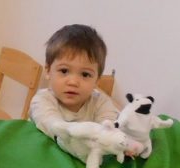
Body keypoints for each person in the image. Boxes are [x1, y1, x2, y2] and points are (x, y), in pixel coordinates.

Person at [28, 24, 118, 160]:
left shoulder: (101, 103)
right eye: (64, 71)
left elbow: (109, 130)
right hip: (42, 157)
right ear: (48, 71)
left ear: (97, 80)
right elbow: (53, 125)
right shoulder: (42, 100)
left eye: (85, 74)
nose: (73, 82)